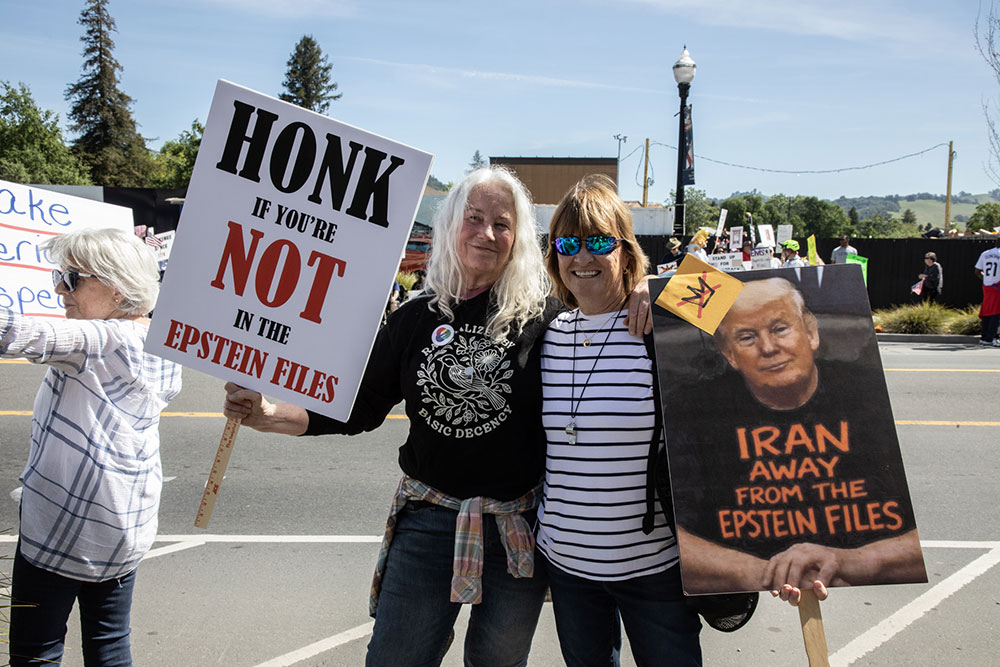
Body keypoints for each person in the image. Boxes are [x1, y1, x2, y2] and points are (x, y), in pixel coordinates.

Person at [222, 167, 653, 667]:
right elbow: (356, 408)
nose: (487, 233)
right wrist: (269, 412)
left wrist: (647, 284)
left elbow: (643, 296)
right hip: (427, 525)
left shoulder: (548, 319)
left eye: (502, 223)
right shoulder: (414, 319)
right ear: (450, 225)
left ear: (518, 240)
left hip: (516, 531)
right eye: (474, 218)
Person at [666, 278, 926, 594]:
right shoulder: (693, 409)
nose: (769, 348)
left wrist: (849, 561)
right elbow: (677, 538)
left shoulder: (865, 394)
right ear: (729, 354)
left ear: (811, 332)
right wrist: (767, 573)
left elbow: (915, 538)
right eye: (747, 337)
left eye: (780, 329)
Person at [537, 175, 702, 666]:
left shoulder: (663, 323)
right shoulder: (543, 331)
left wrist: (661, 286)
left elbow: (744, 294)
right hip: (567, 570)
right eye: (568, 243)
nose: (582, 257)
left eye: (600, 242)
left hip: (656, 568)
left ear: (626, 252)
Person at [3, 228, 182, 666]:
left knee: (35, 652)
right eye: (59, 276)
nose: (60, 289)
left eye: (73, 279)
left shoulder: (105, 339)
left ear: (117, 288)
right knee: (109, 643)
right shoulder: (160, 341)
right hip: (125, 526)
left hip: (63, 526)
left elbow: (15, 333)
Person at [975, 237, 1000, 346]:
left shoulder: (985, 253)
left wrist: (986, 279)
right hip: (998, 285)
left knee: (987, 311)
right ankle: (992, 338)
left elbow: (977, 271)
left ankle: (984, 337)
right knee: (996, 313)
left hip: (987, 286)